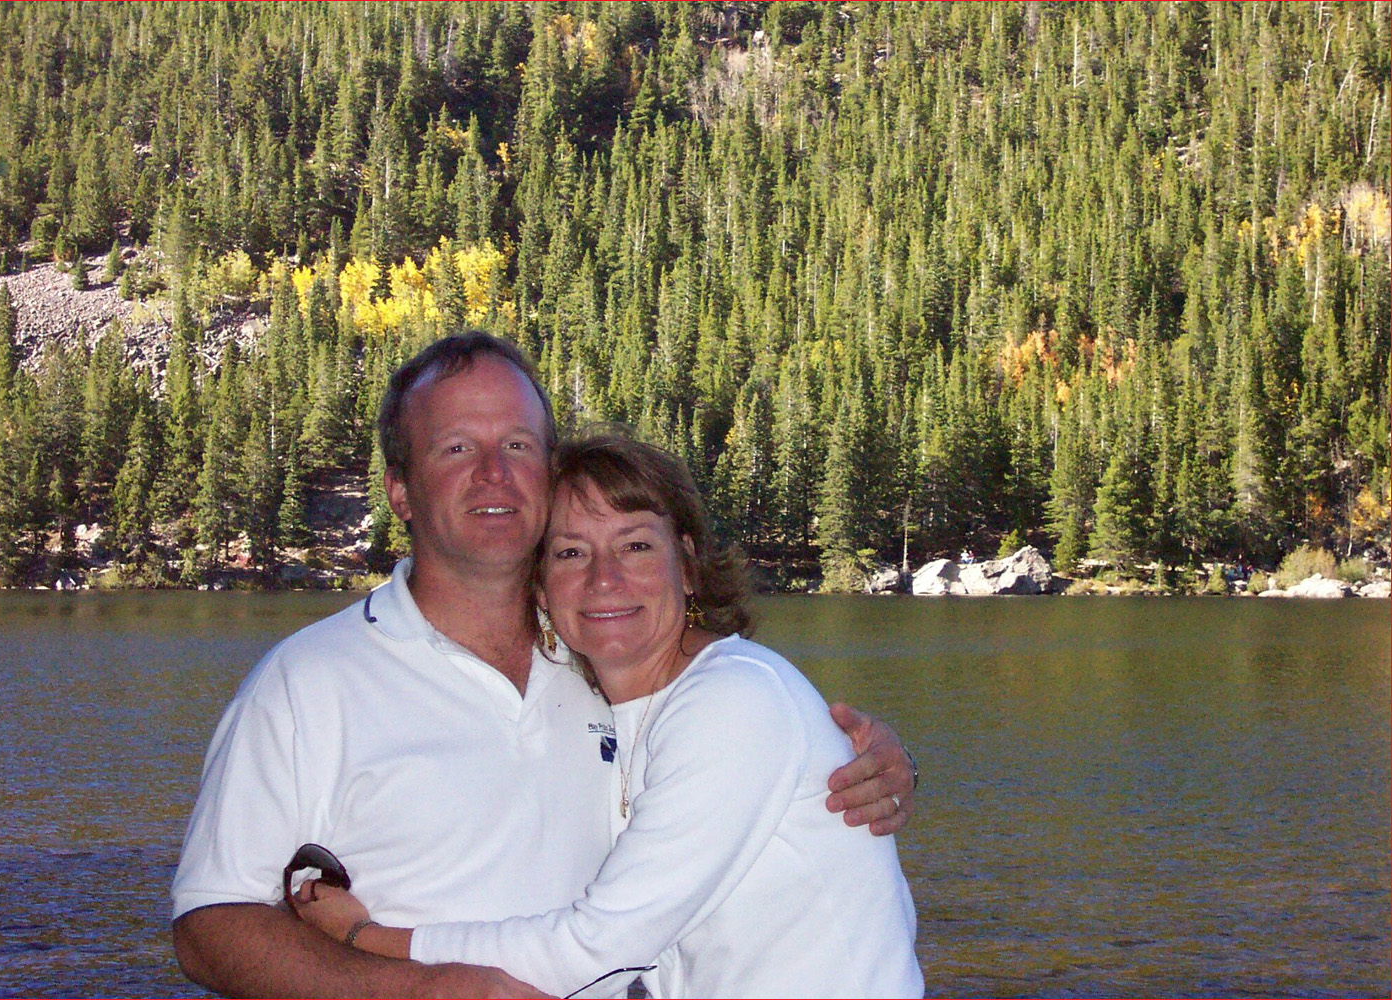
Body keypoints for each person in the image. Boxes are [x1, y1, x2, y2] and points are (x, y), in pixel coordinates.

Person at [171, 331, 918, 997]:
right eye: (457, 447)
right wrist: (403, 989)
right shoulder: (307, 683)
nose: (495, 473)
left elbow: (735, 763)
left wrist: (854, 759)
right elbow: (208, 927)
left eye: (519, 445)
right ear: (399, 487)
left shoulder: (603, 656)